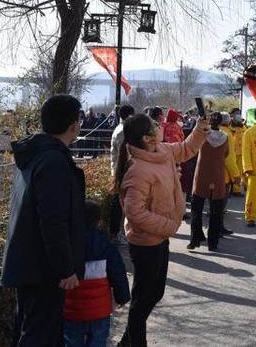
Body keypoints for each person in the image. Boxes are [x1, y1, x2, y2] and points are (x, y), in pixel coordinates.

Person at [116, 113, 209, 347]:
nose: (160, 126)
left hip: (160, 238)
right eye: (155, 125)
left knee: (153, 294)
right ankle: (134, 342)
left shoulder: (163, 151)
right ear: (147, 138)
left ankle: (127, 341)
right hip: (146, 243)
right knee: (143, 299)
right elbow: (134, 213)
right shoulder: (137, 170)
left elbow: (186, 149)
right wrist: (168, 225)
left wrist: (200, 128)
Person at [1, 94, 86, 346]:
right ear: (73, 124)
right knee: (39, 335)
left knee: (32, 330)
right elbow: (53, 220)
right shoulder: (53, 161)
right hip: (43, 268)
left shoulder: (35, 153)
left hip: (30, 262)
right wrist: (66, 268)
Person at [63, 200, 130, 347]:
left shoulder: (66, 244)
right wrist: (122, 296)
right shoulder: (105, 245)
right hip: (100, 311)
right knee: (98, 342)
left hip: (72, 311)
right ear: (99, 221)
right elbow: (118, 272)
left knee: (71, 342)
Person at [189, 112, 239, 251]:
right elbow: (227, 155)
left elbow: (192, 147)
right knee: (216, 211)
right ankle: (213, 243)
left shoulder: (203, 135)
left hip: (202, 175)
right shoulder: (226, 137)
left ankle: (195, 239)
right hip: (218, 175)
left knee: (196, 209)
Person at [109, 105, 135, 240]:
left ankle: (117, 233)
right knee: (119, 205)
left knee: (120, 204)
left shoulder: (122, 129)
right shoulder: (123, 131)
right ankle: (116, 233)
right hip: (121, 171)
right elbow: (123, 154)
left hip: (121, 171)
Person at [223, 108, 247, 195]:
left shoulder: (243, 125)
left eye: (239, 113)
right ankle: (228, 189)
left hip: (241, 151)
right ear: (232, 115)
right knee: (229, 170)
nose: (238, 115)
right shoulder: (229, 125)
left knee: (239, 171)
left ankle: (236, 190)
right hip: (231, 151)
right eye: (236, 113)